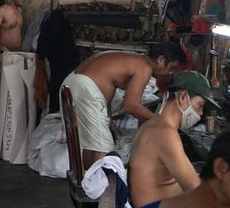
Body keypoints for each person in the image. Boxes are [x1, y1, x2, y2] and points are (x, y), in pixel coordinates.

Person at [61, 41, 186, 169]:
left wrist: (109, 121)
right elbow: (131, 106)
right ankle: (96, 184)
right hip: (84, 87)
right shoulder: (144, 67)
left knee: (92, 144)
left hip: (74, 83)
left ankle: (87, 178)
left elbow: (105, 92)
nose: (170, 73)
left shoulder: (135, 59)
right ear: (161, 59)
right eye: (171, 68)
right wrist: (162, 121)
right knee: (103, 147)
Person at [127, 71, 217, 208]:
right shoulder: (165, 133)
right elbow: (194, 187)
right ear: (182, 97)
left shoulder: (154, 123)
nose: (201, 113)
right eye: (200, 105)